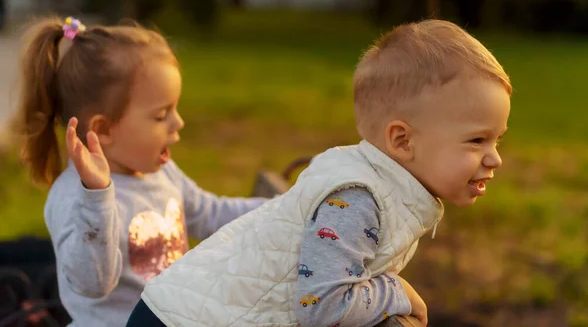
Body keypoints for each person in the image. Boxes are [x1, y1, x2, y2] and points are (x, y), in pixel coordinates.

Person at [129, 19, 512, 327]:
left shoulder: (384, 185)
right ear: (402, 140)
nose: (494, 158)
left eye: (497, 140)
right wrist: (395, 290)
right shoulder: (357, 199)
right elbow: (324, 305)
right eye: (477, 140)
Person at [12, 17, 271, 327]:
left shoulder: (160, 173)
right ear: (103, 129)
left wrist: (285, 204)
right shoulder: (75, 197)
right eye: (161, 115)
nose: (179, 123)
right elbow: (93, 284)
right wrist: (97, 197)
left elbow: (211, 212)